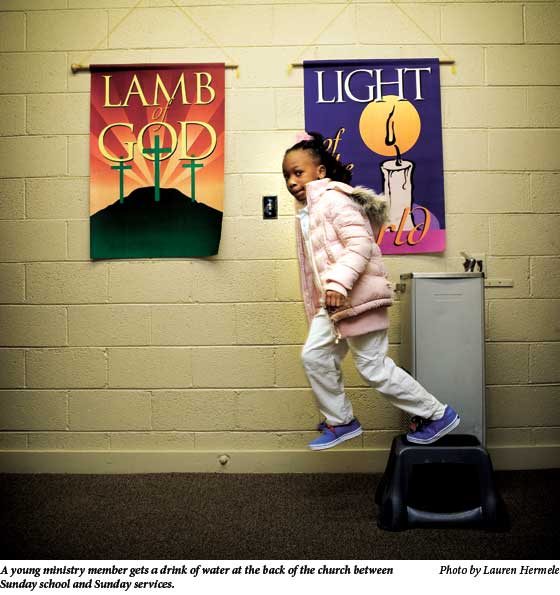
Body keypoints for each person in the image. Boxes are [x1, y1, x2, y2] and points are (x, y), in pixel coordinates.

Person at [282, 131, 460, 450]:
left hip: (358, 298)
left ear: (320, 172)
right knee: (315, 356)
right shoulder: (308, 212)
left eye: (298, 172)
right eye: (287, 175)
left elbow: (361, 243)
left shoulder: (334, 199)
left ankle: (437, 414)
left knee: (373, 367)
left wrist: (338, 283)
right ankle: (341, 421)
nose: (292, 181)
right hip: (335, 304)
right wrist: (323, 300)